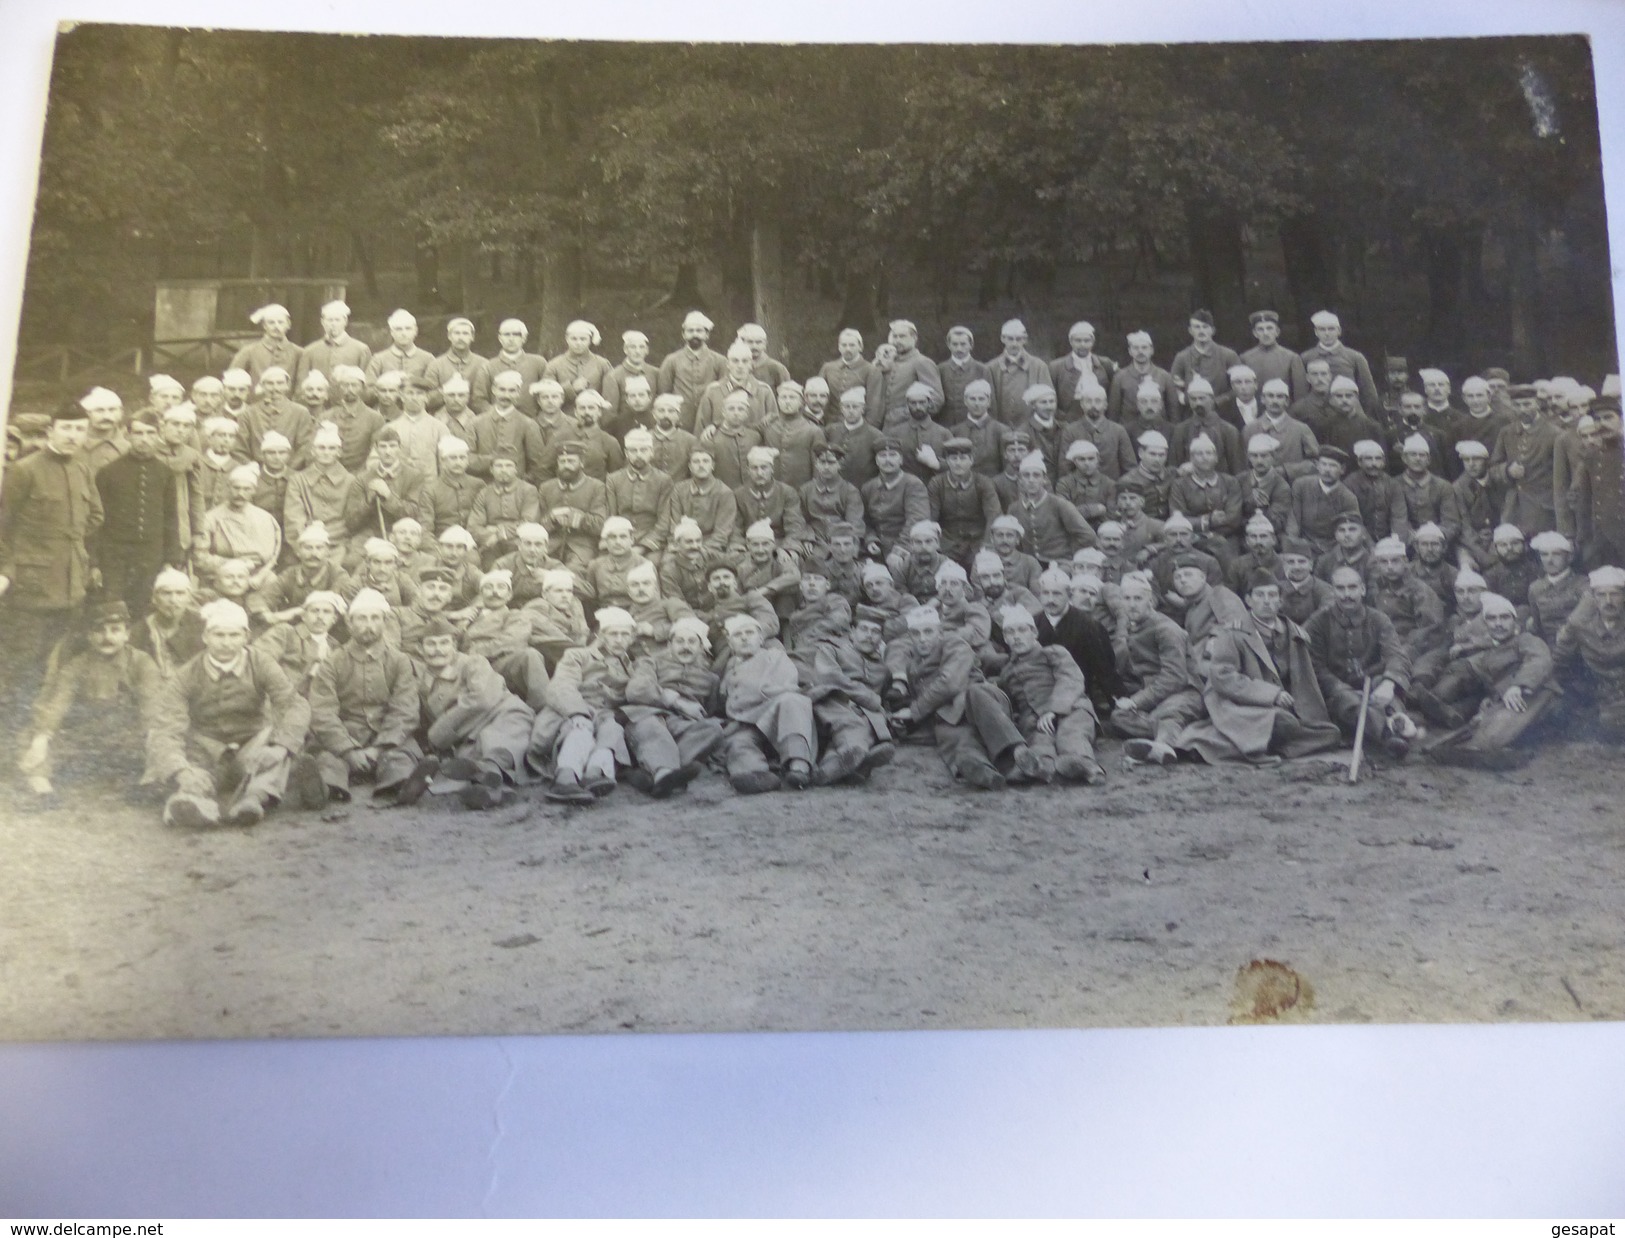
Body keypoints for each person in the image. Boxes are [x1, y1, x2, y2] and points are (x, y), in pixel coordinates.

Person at [143, 598, 317, 828]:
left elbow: (294, 704)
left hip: (252, 746)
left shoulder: (260, 663)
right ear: (205, 637)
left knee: (279, 743)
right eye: (219, 635)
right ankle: (192, 800)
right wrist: (180, 769)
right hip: (206, 748)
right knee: (169, 750)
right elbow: (167, 725)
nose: (226, 643)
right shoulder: (188, 674)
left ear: (246, 637)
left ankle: (254, 799)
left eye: (234, 635)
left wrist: (280, 746)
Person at [0, 398, 104, 721]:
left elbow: (96, 516)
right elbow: (3, 527)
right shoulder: (24, 470)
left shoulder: (81, 468)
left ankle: (41, 725)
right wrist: (8, 569)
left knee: (57, 661)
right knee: (21, 663)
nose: (73, 435)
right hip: (31, 588)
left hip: (71, 585)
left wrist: (67, 541)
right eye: (66, 428)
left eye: (79, 429)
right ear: (50, 431)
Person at [18, 599, 164, 798]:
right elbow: (58, 702)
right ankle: (41, 788)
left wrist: (153, 740)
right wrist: (43, 736)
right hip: (87, 738)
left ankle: (147, 782)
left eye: (115, 630)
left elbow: (152, 706)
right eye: (99, 631)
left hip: (126, 738)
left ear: (127, 634)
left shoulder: (141, 662)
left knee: (162, 741)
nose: (107, 637)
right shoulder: (77, 665)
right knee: (31, 738)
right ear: (89, 635)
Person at [884, 605, 1039, 790]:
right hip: (953, 717)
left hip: (986, 705)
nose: (922, 639)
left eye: (928, 632)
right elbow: (923, 700)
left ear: (940, 632)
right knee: (957, 738)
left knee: (974, 694)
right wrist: (903, 722)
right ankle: (984, 772)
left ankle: (1017, 750)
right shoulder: (913, 666)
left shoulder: (956, 645)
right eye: (916, 634)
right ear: (910, 637)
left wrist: (914, 711)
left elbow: (950, 682)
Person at [1417, 592, 1558, 769]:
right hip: (1505, 701)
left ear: (1514, 621)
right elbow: (1472, 673)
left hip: (1535, 693)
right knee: (1470, 732)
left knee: (1485, 742)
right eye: (1492, 619)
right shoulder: (1488, 653)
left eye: (1504, 618)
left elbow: (1539, 660)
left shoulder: (1526, 640)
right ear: (1486, 624)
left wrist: (1518, 686)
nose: (1498, 624)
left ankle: (1496, 755)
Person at [413, 616, 535, 810]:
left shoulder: (473, 663)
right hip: (468, 736)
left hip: (503, 714)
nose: (438, 649)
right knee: (462, 764)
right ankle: (490, 790)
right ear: (420, 649)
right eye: (431, 644)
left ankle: (490, 772)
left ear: (454, 645)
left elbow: (482, 700)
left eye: (444, 643)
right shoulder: (422, 684)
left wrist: (438, 734)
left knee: (497, 743)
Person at [1303, 566, 1419, 757]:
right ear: (1333, 591)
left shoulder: (1378, 619)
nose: (1347, 594)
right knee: (1348, 702)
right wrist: (1339, 687)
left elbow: (1396, 654)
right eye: (1340, 589)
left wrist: (1389, 682)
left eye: (1352, 588)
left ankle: (1398, 720)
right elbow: (1315, 666)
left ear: (1363, 590)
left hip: (1370, 681)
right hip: (1335, 689)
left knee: (1388, 693)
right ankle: (1389, 735)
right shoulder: (1318, 622)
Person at [536, 606, 637, 804]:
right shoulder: (578, 655)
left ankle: (595, 773)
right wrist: (577, 713)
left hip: (606, 714)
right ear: (601, 635)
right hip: (571, 710)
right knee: (582, 729)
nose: (619, 639)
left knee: (612, 730)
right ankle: (565, 779)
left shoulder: (630, 666)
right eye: (613, 634)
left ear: (631, 638)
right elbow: (562, 685)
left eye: (625, 635)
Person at [996, 604, 1107, 784]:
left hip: (1072, 708)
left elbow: (1070, 679)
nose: (1016, 636)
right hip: (1036, 719)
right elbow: (1008, 700)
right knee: (1039, 740)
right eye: (1010, 632)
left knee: (1071, 734)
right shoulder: (1008, 671)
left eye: (1022, 630)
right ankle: (1040, 766)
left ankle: (1086, 766)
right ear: (1005, 639)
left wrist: (1053, 710)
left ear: (1034, 633)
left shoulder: (1053, 653)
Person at [620, 615, 727, 796]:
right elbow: (636, 690)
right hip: (648, 716)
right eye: (679, 641)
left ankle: (650, 773)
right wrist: (675, 700)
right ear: (669, 645)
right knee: (652, 728)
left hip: (682, 726)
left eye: (692, 642)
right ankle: (664, 774)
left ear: (701, 648)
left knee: (713, 729)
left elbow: (711, 710)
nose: (685, 646)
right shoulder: (650, 662)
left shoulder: (711, 678)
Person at [92, 411, 183, 619]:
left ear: (158, 435)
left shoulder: (165, 473)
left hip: (151, 556)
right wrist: (94, 562)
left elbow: (170, 518)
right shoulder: (108, 472)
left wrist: (171, 558)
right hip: (115, 556)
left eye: (150, 433)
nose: (144, 439)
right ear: (128, 435)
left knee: (145, 610)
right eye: (138, 433)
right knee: (112, 610)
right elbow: (97, 521)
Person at [1106, 575, 1204, 767]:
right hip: (1158, 694)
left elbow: (1175, 677)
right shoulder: (1135, 626)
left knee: (1167, 713)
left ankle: (1163, 747)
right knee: (1119, 717)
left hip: (1185, 692)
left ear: (1150, 601)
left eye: (1138, 599)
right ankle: (1180, 734)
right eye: (1126, 599)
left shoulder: (1166, 629)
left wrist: (1136, 701)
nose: (1132, 605)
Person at [718, 611, 817, 793]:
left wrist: (748, 699)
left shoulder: (774, 656)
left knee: (792, 700)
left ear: (761, 638)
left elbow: (783, 685)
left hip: (775, 716)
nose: (744, 639)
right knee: (738, 743)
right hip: (744, 725)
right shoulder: (728, 668)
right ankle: (755, 774)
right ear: (731, 644)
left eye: (749, 633)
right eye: (738, 636)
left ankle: (798, 764)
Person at [1553, 566, 1625, 739]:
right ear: (1593, 597)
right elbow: (1561, 659)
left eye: (1615, 594)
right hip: (1594, 686)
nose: (1608, 600)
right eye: (1601, 595)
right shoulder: (1579, 624)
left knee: (1609, 723)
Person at [658, 310, 729, 432]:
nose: (694, 334)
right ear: (684, 335)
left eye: (699, 331)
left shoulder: (720, 360)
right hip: (681, 420)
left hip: (710, 419)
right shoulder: (671, 360)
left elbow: (724, 392)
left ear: (707, 335)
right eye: (690, 331)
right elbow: (664, 392)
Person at [1300, 310, 1380, 417]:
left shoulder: (1355, 357)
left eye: (1331, 329)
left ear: (1339, 331)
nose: (1327, 333)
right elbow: (1302, 389)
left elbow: (1368, 392)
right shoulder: (1306, 357)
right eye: (1322, 329)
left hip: (1350, 413)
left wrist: (1367, 418)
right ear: (1316, 332)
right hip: (1318, 413)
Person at [865, 320, 944, 427]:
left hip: (908, 426)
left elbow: (936, 400)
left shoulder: (922, 362)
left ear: (914, 338)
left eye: (902, 337)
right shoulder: (887, 361)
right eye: (895, 336)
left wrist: (905, 414)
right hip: (882, 427)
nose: (897, 341)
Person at [1287, 446, 1361, 555]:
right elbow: (1294, 518)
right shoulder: (1301, 485)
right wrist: (1294, 544)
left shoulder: (1348, 498)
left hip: (1331, 548)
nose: (1327, 470)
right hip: (1303, 543)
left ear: (1342, 469)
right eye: (1323, 464)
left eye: (1332, 466)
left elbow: (1351, 529)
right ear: (1317, 465)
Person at [1170, 308, 1241, 408]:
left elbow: (1239, 386)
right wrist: (1184, 399)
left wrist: (1218, 402)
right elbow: (1174, 386)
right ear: (1190, 331)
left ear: (1212, 330)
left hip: (1223, 412)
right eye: (1197, 327)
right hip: (1192, 412)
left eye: (1205, 327)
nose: (1201, 331)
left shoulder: (1228, 355)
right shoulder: (1182, 357)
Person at [1050, 320, 1118, 421]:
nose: (1083, 345)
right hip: (1068, 420)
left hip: (1098, 417)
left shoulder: (1105, 364)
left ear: (1093, 342)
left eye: (1087, 341)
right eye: (1078, 341)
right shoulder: (1056, 367)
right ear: (1071, 341)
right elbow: (1050, 396)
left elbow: (1114, 392)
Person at [297, 300, 372, 387]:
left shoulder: (361, 349)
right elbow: (302, 383)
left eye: (337, 320)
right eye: (329, 320)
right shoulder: (310, 350)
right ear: (322, 322)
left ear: (345, 321)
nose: (333, 324)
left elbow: (366, 383)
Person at [1108, 331, 1177, 423]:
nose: (1140, 351)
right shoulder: (1120, 377)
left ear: (1151, 350)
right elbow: (1113, 412)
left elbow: (1173, 411)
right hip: (1129, 433)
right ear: (1130, 351)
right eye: (1136, 348)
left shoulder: (1164, 376)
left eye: (1144, 348)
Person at [425, 316, 492, 410]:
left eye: (465, 333)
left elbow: (489, 397)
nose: (461, 337)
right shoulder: (436, 365)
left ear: (472, 337)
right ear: (449, 336)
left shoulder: (484, 364)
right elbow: (427, 399)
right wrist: (446, 389)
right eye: (457, 333)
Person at [1239, 309, 1308, 401]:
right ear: (1255, 333)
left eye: (1269, 328)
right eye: (1260, 329)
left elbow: (1300, 393)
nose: (1265, 333)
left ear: (1277, 332)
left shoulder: (1292, 358)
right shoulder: (1245, 358)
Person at [229, 303, 302, 382]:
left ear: (288, 325)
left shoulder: (298, 352)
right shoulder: (249, 351)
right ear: (264, 326)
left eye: (280, 322)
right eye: (271, 323)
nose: (276, 326)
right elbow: (232, 378)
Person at [365, 308, 436, 384]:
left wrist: (414, 380)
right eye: (399, 329)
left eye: (408, 328)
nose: (403, 333)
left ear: (415, 331)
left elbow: (434, 387)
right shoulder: (378, 359)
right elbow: (369, 388)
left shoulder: (428, 358)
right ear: (392, 332)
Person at [940, 325, 991, 423]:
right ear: (948, 345)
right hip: (947, 424)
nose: (959, 348)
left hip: (974, 424)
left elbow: (990, 403)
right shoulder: (941, 369)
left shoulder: (982, 369)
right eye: (955, 344)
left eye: (963, 344)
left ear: (971, 345)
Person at [819, 327, 874, 407]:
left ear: (860, 347)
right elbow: (818, 393)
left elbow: (874, 405)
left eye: (852, 345)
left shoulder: (870, 370)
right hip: (830, 418)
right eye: (844, 345)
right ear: (839, 347)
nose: (847, 349)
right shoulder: (828, 368)